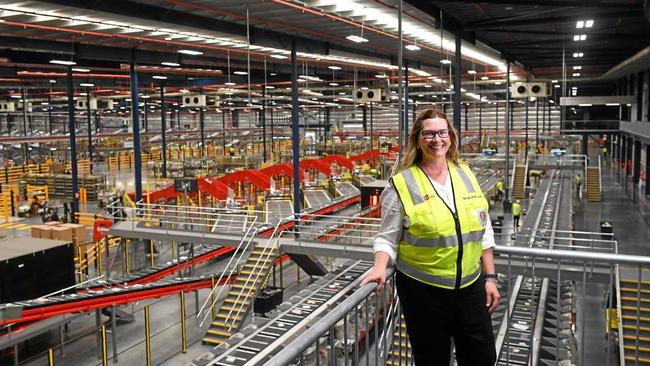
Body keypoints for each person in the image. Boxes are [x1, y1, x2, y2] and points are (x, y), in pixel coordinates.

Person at [360, 110, 499, 366]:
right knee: (432, 360)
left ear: (451, 137)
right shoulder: (401, 184)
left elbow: (483, 229)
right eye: (429, 133)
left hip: (470, 288)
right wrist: (380, 268)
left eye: (442, 132)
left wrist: (489, 277)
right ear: (417, 139)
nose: (437, 139)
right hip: (424, 294)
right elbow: (387, 238)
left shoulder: (465, 174)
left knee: (483, 357)